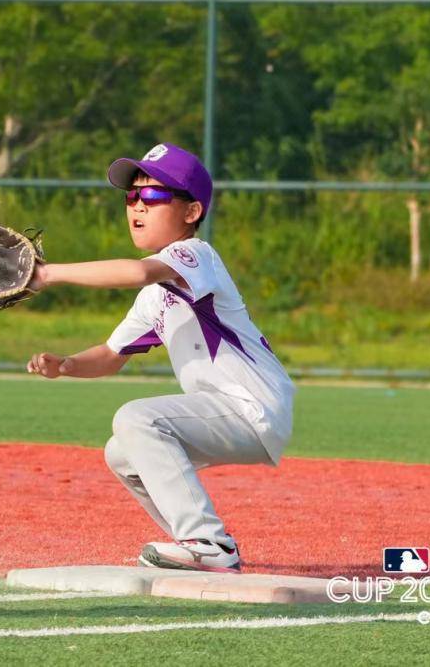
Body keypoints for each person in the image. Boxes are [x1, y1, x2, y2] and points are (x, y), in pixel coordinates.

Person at [26, 142, 294, 573]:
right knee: (122, 453)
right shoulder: (156, 296)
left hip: (253, 407)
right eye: (131, 196)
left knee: (137, 418)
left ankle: (208, 541)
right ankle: (199, 546)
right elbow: (113, 355)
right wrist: (67, 365)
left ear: (191, 213)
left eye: (152, 195)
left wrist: (49, 273)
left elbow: (136, 271)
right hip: (228, 411)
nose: (137, 205)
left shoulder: (196, 255)